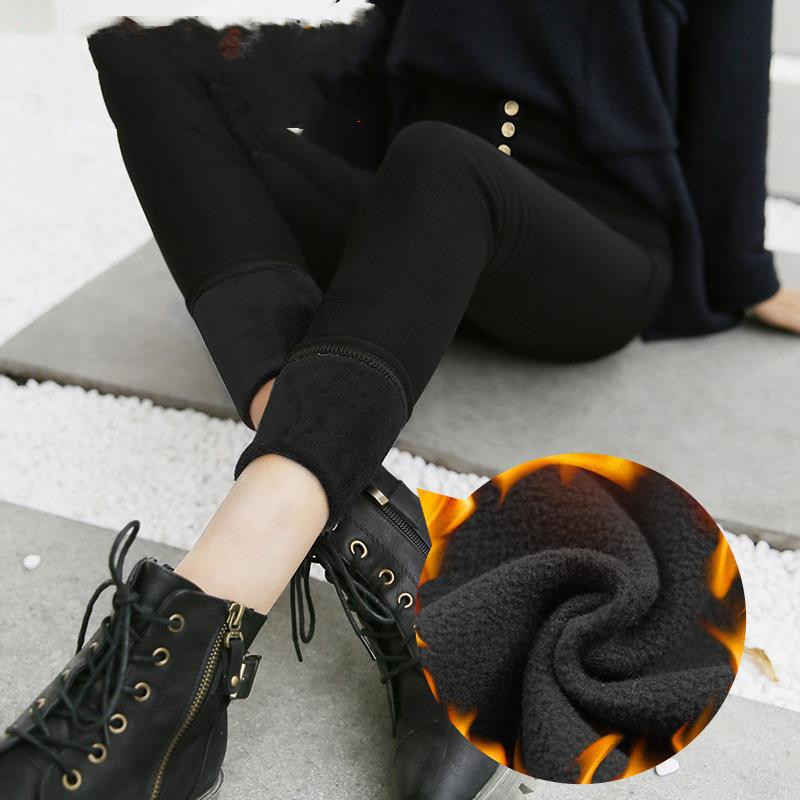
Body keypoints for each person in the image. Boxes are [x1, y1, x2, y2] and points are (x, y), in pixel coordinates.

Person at [1, 2, 796, 798]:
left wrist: (745, 278)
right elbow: (381, 48)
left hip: (586, 239)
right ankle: (399, 560)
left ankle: (192, 646)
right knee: (143, 58)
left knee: (440, 155)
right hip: (417, 213)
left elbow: (728, 93)